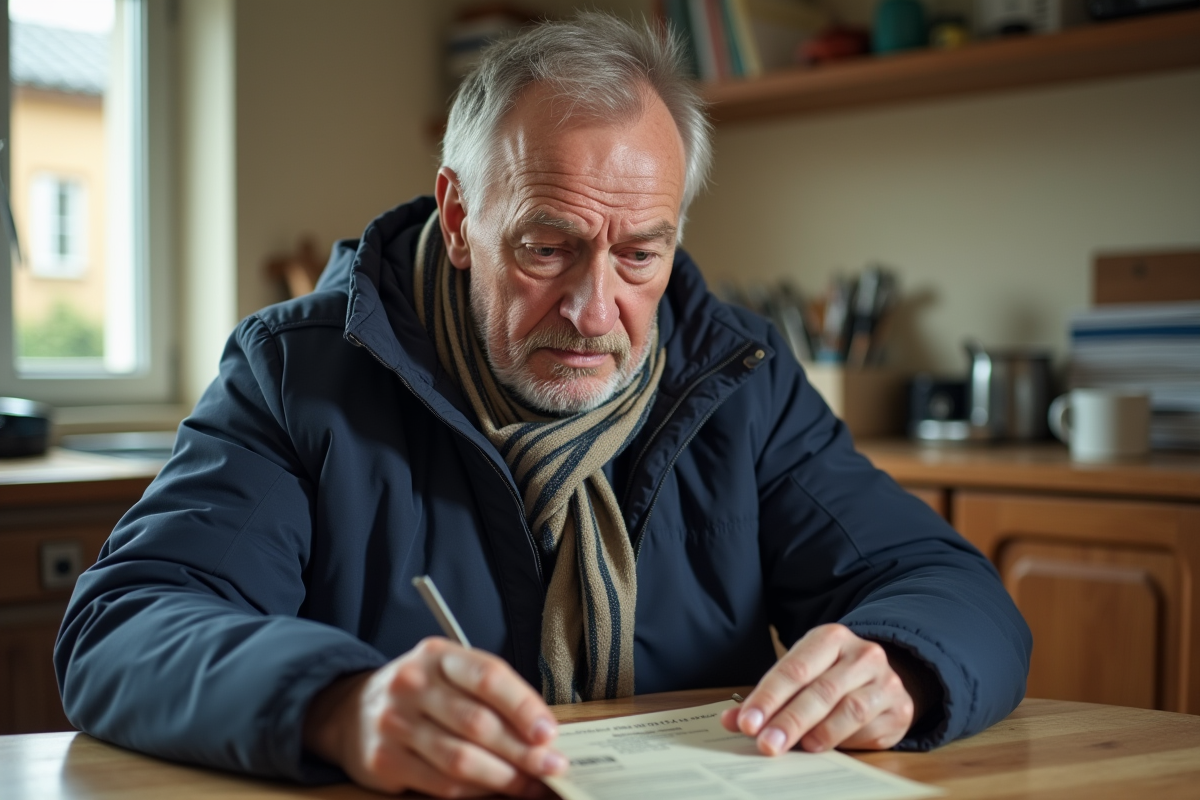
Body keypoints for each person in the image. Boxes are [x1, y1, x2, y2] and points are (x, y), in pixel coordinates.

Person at [55, 13, 1030, 799]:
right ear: (458, 217)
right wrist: (336, 703)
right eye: (547, 245)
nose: (593, 307)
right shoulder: (297, 372)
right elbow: (127, 624)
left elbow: (947, 584)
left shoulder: (741, 375)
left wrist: (901, 665)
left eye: (640, 252)